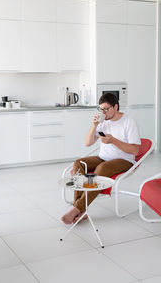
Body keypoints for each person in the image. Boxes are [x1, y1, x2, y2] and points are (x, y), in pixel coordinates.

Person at [61, 93, 141, 225]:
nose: (103, 112)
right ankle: (81, 210)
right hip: (103, 158)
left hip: (124, 160)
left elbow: (135, 150)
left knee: (102, 168)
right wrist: (94, 125)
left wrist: (113, 141)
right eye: (100, 109)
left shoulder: (129, 122)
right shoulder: (103, 122)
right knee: (78, 163)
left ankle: (77, 209)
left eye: (106, 109)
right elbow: (87, 143)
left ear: (115, 107)